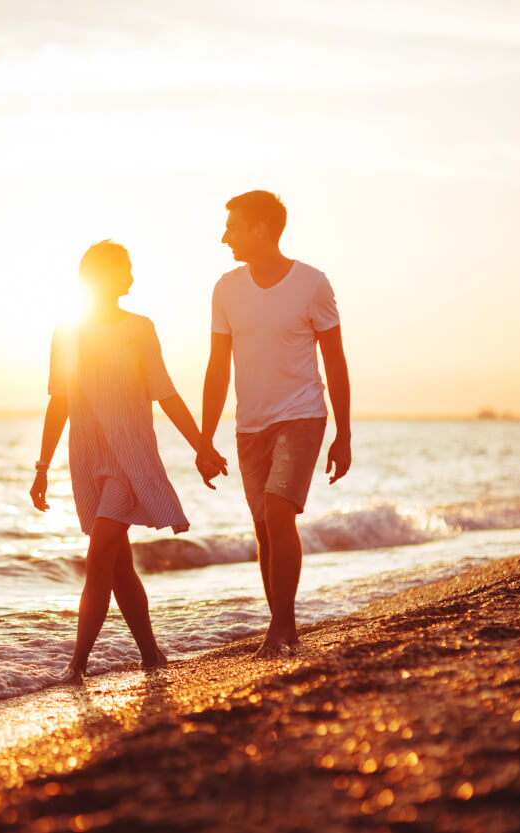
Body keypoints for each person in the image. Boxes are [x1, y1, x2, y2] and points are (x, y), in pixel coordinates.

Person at [30, 240, 225, 684]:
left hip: (129, 457)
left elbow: (165, 392)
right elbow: (58, 401)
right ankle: (151, 654)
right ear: (99, 277)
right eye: (124, 270)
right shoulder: (67, 332)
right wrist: (42, 466)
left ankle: (76, 666)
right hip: (86, 457)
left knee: (99, 554)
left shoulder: (140, 328)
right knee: (119, 564)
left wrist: (201, 445)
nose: (132, 278)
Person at [197, 190, 352, 658]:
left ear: (261, 229)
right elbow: (217, 367)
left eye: (234, 227)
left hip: (302, 414)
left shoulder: (312, 284)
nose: (225, 237)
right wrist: (205, 439)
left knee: (279, 512)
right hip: (251, 424)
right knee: (264, 526)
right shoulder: (226, 288)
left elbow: (335, 360)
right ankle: (282, 623)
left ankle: (281, 627)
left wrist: (343, 434)